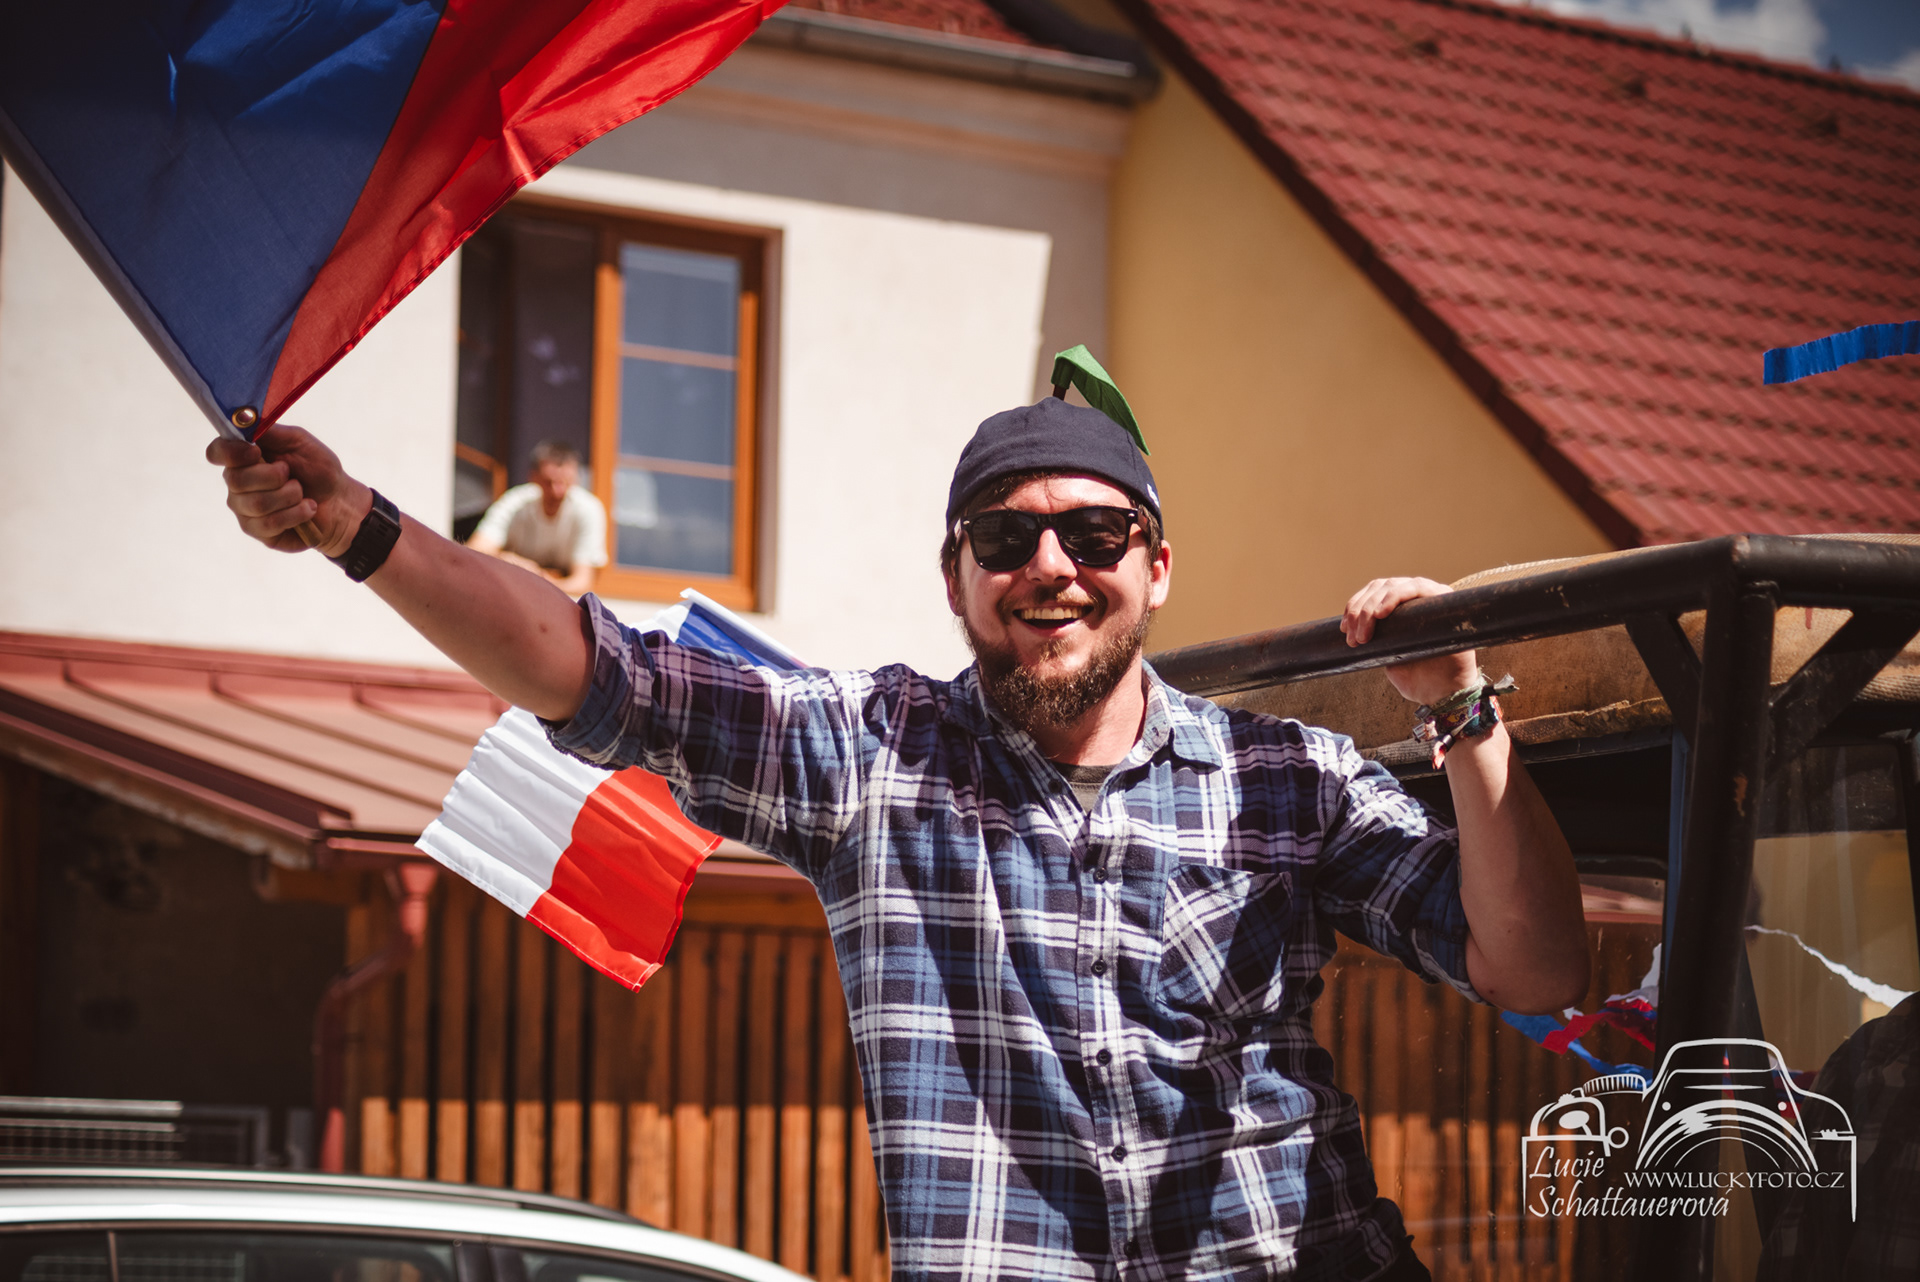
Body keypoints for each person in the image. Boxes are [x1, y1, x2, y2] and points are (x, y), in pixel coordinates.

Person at [208, 397, 1589, 1282]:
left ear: (1156, 566)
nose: (1052, 566)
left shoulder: (1291, 779)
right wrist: (356, 526)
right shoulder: (872, 758)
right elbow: (590, 663)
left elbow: (1536, 968)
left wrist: (1462, 707)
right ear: (957, 577)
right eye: (1007, 537)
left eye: (1095, 531)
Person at [466, 441, 607, 596]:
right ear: (533, 477)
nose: (557, 491)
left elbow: (582, 582)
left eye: (565, 482)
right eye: (549, 482)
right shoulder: (515, 503)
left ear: (576, 479)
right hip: (513, 593)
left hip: (560, 599)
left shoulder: (589, 509)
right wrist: (511, 561)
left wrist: (539, 580)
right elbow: (474, 551)